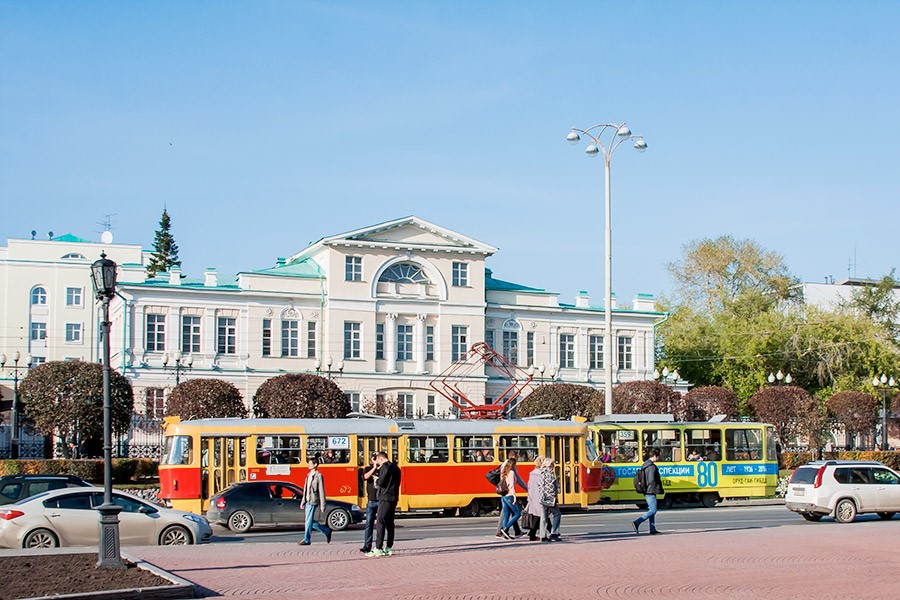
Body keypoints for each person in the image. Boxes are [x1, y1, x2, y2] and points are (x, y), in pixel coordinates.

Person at [368, 451, 401, 557]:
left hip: (384, 497)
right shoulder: (396, 468)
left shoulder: (384, 468)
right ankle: (389, 547)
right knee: (390, 523)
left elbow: (382, 482)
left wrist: (376, 480)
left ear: (381, 459)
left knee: (380, 521)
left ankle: (378, 547)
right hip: (393, 497)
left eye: (378, 460)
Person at [299, 457, 332, 545]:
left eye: (310, 464)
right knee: (309, 521)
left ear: (315, 465)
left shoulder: (318, 476)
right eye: (308, 463)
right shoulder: (308, 475)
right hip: (307, 500)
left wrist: (323, 505)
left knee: (308, 521)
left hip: (313, 501)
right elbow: (305, 489)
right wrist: (303, 501)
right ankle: (326, 530)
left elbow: (321, 490)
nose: (308, 465)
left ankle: (307, 539)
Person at [495, 450, 527, 538]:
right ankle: (502, 530)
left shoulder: (505, 468)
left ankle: (514, 531)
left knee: (508, 513)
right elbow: (513, 484)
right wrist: (515, 495)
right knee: (515, 513)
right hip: (509, 495)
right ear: (514, 457)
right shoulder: (511, 470)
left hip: (504, 495)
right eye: (517, 457)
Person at [632, 448, 663, 535]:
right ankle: (637, 522)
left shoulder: (645, 464)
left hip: (646, 489)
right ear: (655, 456)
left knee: (651, 509)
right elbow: (651, 480)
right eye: (658, 456)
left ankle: (652, 529)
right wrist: (657, 489)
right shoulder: (652, 467)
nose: (659, 458)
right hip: (650, 491)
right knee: (653, 510)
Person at [359, 453, 380, 554]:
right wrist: (374, 468)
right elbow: (365, 477)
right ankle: (367, 545)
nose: (375, 460)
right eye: (374, 458)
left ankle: (379, 546)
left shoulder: (383, 469)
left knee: (381, 524)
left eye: (377, 458)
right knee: (368, 524)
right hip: (371, 500)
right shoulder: (368, 468)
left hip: (381, 500)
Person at [539, 457, 562, 541]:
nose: (554, 466)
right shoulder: (549, 472)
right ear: (550, 465)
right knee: (557, 514)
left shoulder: (541, 472)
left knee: (544, 517)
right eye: (553, 464)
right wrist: (554, 497)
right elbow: (551, 486)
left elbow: (540, 485)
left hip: (542, 497)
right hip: (549, 498)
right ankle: (554, 533)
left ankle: (543, 535)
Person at [524, 456, 545, 541]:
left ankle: (532, 534)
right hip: (539, 497)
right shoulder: (540, 474)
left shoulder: (532, 474)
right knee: (542, 516)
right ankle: (552, 532)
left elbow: (529, 486)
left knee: (538, 516)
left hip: (533, 497)